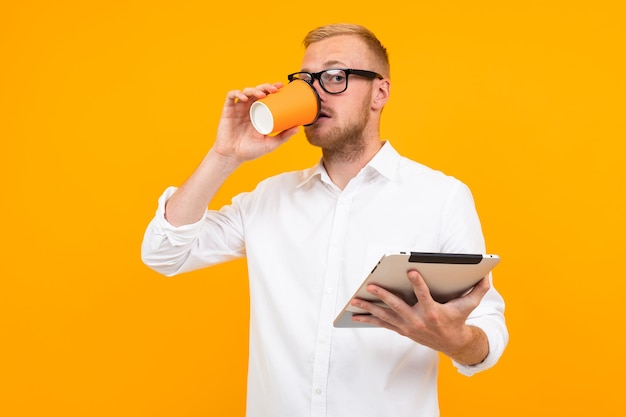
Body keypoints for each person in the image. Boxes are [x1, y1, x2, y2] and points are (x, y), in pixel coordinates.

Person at [141, 23, 508, 417]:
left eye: (335, 77)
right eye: (306, 81)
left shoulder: (440, 197)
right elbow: (164, 253)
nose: (315, 94)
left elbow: (487, 326)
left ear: (379, 92)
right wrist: (225, 154)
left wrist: (456, 340)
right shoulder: (269, 198)